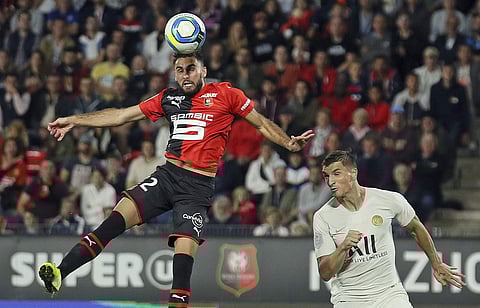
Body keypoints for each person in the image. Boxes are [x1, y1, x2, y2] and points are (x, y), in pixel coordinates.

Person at [39, 51, 313, 307]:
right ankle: (60, 272)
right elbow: (121, 115)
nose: (185, 75)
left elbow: (261, 122)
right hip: (167, 176)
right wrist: (75, 119)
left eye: (191, 69)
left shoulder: (226, 94)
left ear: (203, 71)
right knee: (112, 223)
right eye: (179, 70)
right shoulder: (167, 98)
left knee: (182, 265)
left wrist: (288, 143)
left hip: (197, 187)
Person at [313, 150, 465, 308]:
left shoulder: (387, 199)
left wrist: (436, 263)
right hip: (349, 298)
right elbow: (325, 273)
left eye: (336, 173)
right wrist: (342, 248)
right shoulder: (323, 217)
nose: (330, 181)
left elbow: (415, 227)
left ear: (353, 172)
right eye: (326, 176)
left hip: (389, 294)